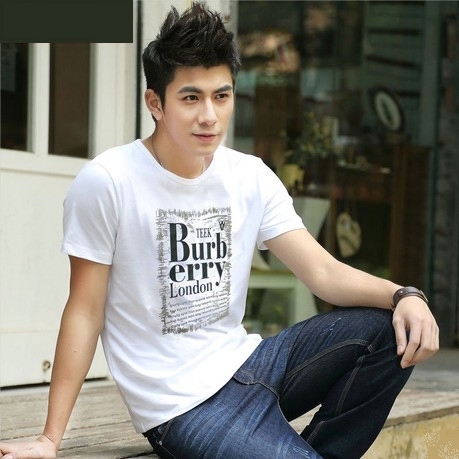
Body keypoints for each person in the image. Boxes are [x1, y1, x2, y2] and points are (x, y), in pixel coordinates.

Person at [0, 2, 439, 459]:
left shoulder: (249, 175)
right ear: (155, 103)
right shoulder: (109, 181)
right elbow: (85, 311)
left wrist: (404, 295)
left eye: (221, 96)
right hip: (182, 407)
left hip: (250, 365)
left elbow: (323, 273)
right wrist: (50, 439)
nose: (209, 115)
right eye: (191, 98)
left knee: (389, 328)